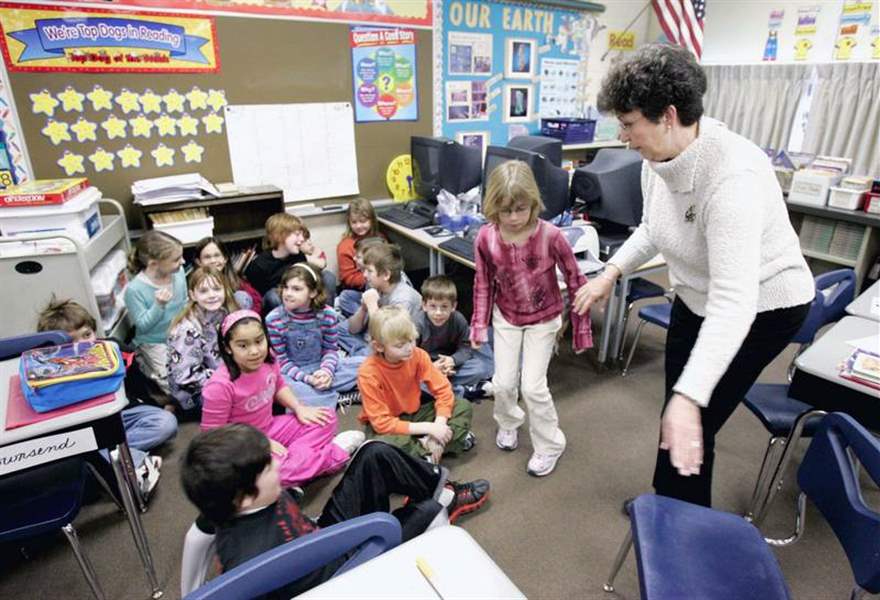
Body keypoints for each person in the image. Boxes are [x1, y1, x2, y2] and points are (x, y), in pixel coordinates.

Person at [573, 44, 814, 507]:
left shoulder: (732, 177)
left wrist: (690, 395)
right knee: (678, 409)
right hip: (696, 296)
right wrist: (611, 272)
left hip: (763, 306)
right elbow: (653, 227)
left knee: (694, 414)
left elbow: (734, 301)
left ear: (668, 116)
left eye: (628, 124)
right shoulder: (656, 161)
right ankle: (667, 503)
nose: (623, 137)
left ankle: (684, 524)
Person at [181, 424, 490, 598]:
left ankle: (442, 490)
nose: (277, 463)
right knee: (429, 511)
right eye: (266, 467)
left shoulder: (223, 502)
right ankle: (443, 507)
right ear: (244, 498)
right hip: (345, 571)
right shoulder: (252, 563)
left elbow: (195, 537)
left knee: (375, 454)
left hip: (325, 536)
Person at [470, 160, 591, 477]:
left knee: (533, 388)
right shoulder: (486, 238)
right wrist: (479, 323)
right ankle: (509, 421)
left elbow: (576, 280)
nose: (513, 218)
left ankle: (550, 444)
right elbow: (483, 283)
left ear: (533, 203)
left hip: (544, 318)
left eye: (520, 209)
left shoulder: (550, 236)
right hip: (507, 317)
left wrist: (581, 329)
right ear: (493, 207)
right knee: (503, 383)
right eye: (505, 210)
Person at [201, 309, 364, 487]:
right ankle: (333, 455)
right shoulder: (219, 385)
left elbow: (279, 386)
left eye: (259, 341)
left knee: (326, 417)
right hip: (244, 444)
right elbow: (213, 436)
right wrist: (261, 442)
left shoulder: (269, 358)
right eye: (243, 346)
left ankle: (298, 462)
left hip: (271, 427)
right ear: (228, 348)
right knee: (274, 475)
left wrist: (299, 408)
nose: (254, 351)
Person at [37, 298, 177, 495]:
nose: (83, 344)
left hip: (120, 417)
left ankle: (111, 460)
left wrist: (157, 406)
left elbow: (137, 385)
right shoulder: (52, 371)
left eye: (87, 334)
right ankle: (132, 461)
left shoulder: (114, 350)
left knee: (166, 423)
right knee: (71, 465)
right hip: (85, 431)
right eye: (71, 341)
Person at [358, 306, 475, 463]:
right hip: (387, 425)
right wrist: (430, 428)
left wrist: (439, 424)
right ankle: (436, 447)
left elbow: (444, 391)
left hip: (415, 413)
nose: (409, 348)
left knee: (462, 406)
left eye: (411, 340)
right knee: (381, 446)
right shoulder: (368, 372)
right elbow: (381, 423)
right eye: (400, 345)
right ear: (379, 346)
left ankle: (427, 451)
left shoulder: (418, 355)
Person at [265, 264, 364, 409]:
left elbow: (330, 350)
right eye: (286, 287)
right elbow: (281, 361)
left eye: (296, 289)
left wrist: (326, 371)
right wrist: (308, 379)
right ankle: (337, 397)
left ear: (312, 292)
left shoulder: (328, 315)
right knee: (282, 387)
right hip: (293, 373)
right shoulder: (273, 319)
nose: (288, 293)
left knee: (366, 364)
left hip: (321, 365)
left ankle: (323, 394)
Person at [124, 230, 187, 401]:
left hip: (179, 333)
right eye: (176, 259)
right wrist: (158, 305)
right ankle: (181, 403)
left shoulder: (179, 273)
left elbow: (184, 303)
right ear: (153, 264)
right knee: (169, 380)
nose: (183, 261)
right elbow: (143, 326)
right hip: (154, 341)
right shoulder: (135, 290)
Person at [166, 266, 238, 415]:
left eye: (216, 289)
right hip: (194, 392)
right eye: (204, 291)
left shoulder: (222, 313)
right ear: (193, 295)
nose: (212, 295)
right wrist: (227, 380)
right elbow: (185, 377)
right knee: (240, 400)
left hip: (223, 373)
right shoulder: (187, 330)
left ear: (225, 290)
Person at [416, 275, 494, 399]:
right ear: (424, 305)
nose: (438, 313)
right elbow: (410, 357)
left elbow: (466, 347)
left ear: (453, 306)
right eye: (433, 306)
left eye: (444, 307)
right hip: (427, 367)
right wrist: (431, 368)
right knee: (416, 382)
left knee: (481, 368)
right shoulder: (417, 324)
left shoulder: (458, 319)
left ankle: (447, 388)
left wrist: (453, 360)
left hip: (451, 365)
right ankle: (463, 392)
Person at [339, 243, 422, 355]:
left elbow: (388, 337)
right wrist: (363, 309)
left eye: (369, 271)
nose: (364, 275)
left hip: (396, 347)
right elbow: (352, 329)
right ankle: (362, 352)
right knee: (337, 330)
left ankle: (361, 354)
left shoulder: (402, 299)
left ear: (386, 275)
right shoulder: (376, 285)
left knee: (343, 364)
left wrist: (372, 305)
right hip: (377, 340)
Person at [244, 213, 336, 312]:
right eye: (297, 234)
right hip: (278, 304)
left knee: (328, 276)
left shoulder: (298, 256)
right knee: (273, 296)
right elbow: (258, 297)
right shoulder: (259, 265)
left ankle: (325, 316)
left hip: (300, 294)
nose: (302, 239)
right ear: (280, 236)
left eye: (302, 235)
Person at [194, 236, 262, 313]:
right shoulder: (196, 284)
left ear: (225, 259)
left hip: (235, 317)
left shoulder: (234, 280)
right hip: (208, 318)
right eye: (207, 257)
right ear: (198, 262)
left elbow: (257, 300)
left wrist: (249, 315)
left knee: (241, 297)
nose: (213, 260)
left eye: (217, 255)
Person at [336, 198, 382, 292]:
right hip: (358, 288)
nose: (358, 226)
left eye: (363, 221)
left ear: (372, 220)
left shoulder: (380, 239)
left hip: (381, 282)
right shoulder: (345, 246)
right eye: (354, 222)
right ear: (349, 222)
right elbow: (348, 278)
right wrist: (374, 278)